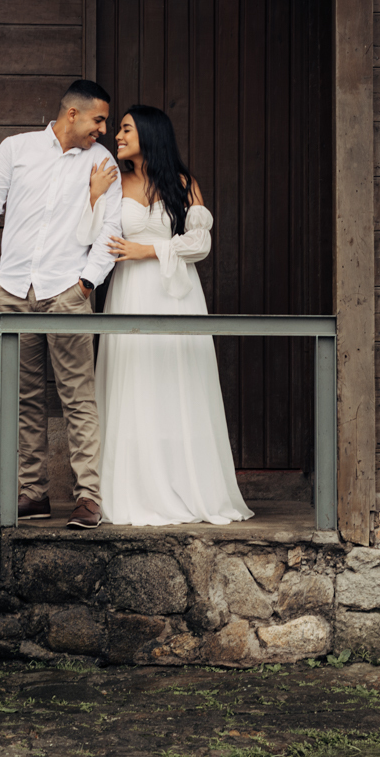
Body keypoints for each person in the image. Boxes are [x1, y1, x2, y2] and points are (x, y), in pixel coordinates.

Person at [83, 105, 252, 527]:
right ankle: (134, 488)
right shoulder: (113, 181)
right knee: (134, 379)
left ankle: (186, 483)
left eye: (124, 129)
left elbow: (200, 244)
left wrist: (150, 249)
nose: (117, 136)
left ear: (150, 134)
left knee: (177, 379)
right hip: (129, 294)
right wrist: (90, 197)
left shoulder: (182, 183)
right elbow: (87, 238)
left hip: (175, 292)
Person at [0, 79, 123, 528]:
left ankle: (88, 498)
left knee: (78, 398)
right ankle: (32, 494)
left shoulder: (102, 161)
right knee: (24, 399)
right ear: (72, 114)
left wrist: (85, 286)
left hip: (67, 293)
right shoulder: (15, 149)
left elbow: (110, 230)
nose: (104, 129)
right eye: (99, 119)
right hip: (13, 291)